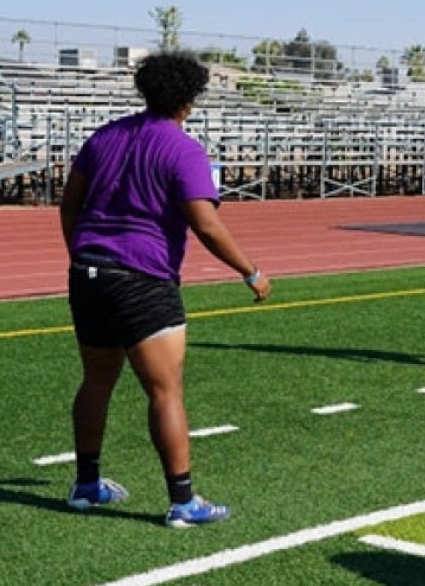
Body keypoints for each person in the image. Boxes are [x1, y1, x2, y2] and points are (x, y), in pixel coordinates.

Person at [59, 50, 270, 528]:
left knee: (96, 381)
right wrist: (251, 271)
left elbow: (69, 205)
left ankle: (86, 484)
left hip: (88, 273)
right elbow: (206, 224)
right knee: (165, 391)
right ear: (189, 100)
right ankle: (182, 501)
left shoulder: (105, 136)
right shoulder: (183, 150)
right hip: (143, 278)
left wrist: (83, 254)